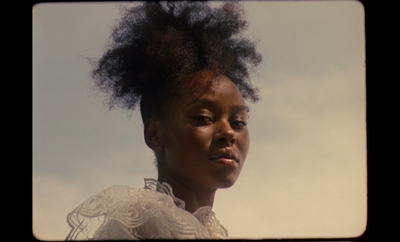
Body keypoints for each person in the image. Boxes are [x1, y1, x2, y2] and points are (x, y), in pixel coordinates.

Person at [66, 1, 262, 240]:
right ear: (154, 135)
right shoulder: (142, 224)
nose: (228, 133)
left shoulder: (202, 231)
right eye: (204, 117)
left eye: (239, 122)